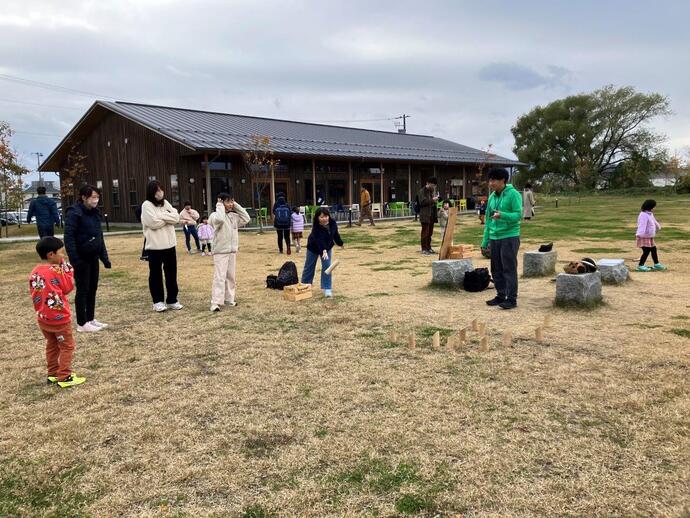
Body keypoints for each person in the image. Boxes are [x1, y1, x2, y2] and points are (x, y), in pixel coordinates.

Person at [29, 236, 85, 388]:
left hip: (43, 318)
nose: (63, 256)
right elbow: (67, 288)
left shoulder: (35, 271)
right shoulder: (55, 270)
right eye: (61, 253)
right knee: (67, 346)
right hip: (59, 318)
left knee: (52, 344)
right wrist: (66, 270)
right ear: (51, 255)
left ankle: (52, 373)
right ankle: (64, 376)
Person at [63, 185, 111, 333]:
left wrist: (104, 257)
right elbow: (68, 237)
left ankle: (90, 319)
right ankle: (81, 323)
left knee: (92, 289)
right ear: (84, 197)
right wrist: (75, 258)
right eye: (93, 197)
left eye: (97, 197)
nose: (96, 200)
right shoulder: (74, 213)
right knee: (83, 290)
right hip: (81, 258)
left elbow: (99, 236)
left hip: (93, 256)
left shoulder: (95, 213)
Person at [481, 168, 523, 310]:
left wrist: (503, 215)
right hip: (494, 237)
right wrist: (484, 240)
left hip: (509, 236)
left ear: (503, 181)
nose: (490, 183)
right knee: (496, 268)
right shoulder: (492, 197)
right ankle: (500, 295)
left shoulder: (514, 194)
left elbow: (518, 215)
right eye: (490, 180)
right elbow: (487, 220)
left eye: (494, 180)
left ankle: (511, 299)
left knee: (509, 268)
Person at [141, 180, 182, 312]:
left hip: (170, 245)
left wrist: (162, 216)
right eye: (157, 191)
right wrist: (167, 217)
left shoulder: (166, 203)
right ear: (152, 192)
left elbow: (176, 218)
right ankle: (157, 301)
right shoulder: (146, 205)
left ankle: (172, 299)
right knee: (155, 274)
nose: (160, 193)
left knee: (171, 273)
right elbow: (153, 223)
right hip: (154, 247)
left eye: (161, 190)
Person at [209, 193, 250, 312]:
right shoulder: (214, 216)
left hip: (232, 251)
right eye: (228, 201)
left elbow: (246, 218)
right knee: (219, 277)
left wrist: (235, 205)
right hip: (220, 251)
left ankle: (229, 298)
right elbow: (220, 219)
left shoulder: (233, 216)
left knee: (231, 277)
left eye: (232, 201)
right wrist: (220, 206)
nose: (230, 204)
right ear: (221, 203)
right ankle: (215, 302)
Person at [301, 207, 344, 298]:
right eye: (321, 217)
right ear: (317, 218)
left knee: (327, 266)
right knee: (309, 266)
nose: (324, 219)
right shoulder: (316, 227)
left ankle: (327, 288)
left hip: (327, 247)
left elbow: (335, 234)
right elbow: (319, 240)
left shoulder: (333, 223)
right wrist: (323, 250)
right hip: (313, 247)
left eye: (326, 216)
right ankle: (305, 285)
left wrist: (340, 243)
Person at [636, 199, 667, 272]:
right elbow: (642, 225)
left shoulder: (650, 214)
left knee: (653, 249)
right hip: (643, 236)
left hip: (649, 237)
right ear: (650, 207)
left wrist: (658, 226)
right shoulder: (643, 215)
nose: (655, 208)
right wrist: (640, 234)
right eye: (654, 207)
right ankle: (640, 266)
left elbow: (654, 221)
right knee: (646, 251)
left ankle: (657, 264)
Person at [417, 177, 439, 254]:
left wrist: (435, 200)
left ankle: (429, 247)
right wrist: (433, 200)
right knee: (425, 232)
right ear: (429, 183)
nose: (434, 187)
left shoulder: (431, 191)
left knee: (430, 233)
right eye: (433, 185)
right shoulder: (422, 191)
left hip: (432, 214)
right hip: (425, 214)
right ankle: (424, 248)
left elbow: (431, 202)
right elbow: (422, 202)